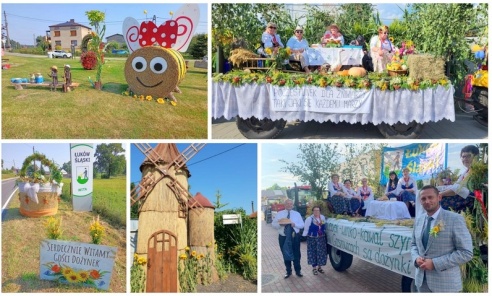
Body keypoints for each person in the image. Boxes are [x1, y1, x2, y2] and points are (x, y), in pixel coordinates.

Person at [410, 185, 473, 292]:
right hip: (421, 282)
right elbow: (413, 245)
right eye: (423, 199)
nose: (427, 201)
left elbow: (466, 253)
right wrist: (416, 258)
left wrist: (435, 263)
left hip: (445, 285)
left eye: (430, 197)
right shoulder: (419, 220)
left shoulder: (454, 219)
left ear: (439, 197)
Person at [438, 145, 478, 212]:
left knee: (438, 201)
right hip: (461, 195)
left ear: (475, 157)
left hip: (469, 200)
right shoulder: (465, 172)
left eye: (468, 156)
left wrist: (441, 194)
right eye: (463, 157)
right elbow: (456, 186)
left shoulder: (478, 171)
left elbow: (458, 188)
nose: (465, 159)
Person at [272, 199, 304, 278]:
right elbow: (273, 224)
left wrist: (295, 224)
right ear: (284, 205)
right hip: (283, 237)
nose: (289, 205)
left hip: (294, 237)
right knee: (285, 254)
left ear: (292, 205)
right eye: (287, 204)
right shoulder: (280, 214)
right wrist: (280, 225)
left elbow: (302, 225)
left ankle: (298, 271)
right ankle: (288, 271)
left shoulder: (297, 214)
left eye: (290, 204)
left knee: (296, 254)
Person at [302, 206, 327, 275]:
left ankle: (319, 267)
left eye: (318, 210)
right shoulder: (309, 219)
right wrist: (305, 237)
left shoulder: (322, 217)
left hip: (321, 238)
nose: (316, 212)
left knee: (321, 252)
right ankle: (314, 268)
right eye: (315, 210)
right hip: (312, 238)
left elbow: (324, 226)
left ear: (320, 211)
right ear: (313, 211)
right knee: (313, 252)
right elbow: (306, 228)